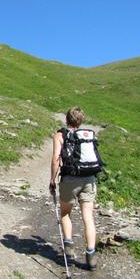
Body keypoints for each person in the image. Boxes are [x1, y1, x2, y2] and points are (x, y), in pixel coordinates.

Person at [49, 106, 98, 270]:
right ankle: (91, 255)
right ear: (81, 120)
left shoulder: (60, 135)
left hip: (70, 179)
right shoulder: (87, 135)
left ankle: (68, 246)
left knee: (65, 212)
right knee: (88, 217)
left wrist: (52, 179)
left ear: (66, 119)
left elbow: (56, 159)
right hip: (89, 179)